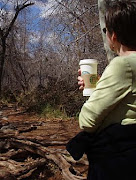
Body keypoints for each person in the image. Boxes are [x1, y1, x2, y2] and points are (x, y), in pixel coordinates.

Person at [67, 1, 136, 180]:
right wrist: (99, 87)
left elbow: (87, 121)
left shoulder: (122, 65)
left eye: (106, 31)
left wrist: (92, 94)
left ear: (113, 36)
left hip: (118, 160)